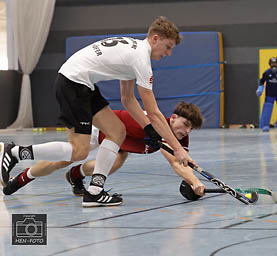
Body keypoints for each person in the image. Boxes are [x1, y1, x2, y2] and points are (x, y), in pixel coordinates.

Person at [0, 16, 191, 207]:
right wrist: (177, 148)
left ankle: (94, 191)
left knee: (117, 131)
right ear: (155, 38)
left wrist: (148, 127)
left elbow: (128, 99)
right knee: (78, 152)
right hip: (74, 84)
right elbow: (154, 112)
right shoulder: (141, 60)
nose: (169, 53)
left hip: (82, 84)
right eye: (168, 46)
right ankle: (16, 152)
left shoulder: (135, 49)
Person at [3, 102, 205, 201]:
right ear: (173, 117)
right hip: (98, 128)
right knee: (64, 159)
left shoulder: (180, 137)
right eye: (185, 124)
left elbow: (182, 161)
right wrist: (194, 181)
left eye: (190, 128)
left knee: (115, 162)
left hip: (118, 142)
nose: (186, 131)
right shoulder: (154, 123)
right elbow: (174, 161)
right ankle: (18, 166)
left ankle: (75, 176)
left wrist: (194, 179)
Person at [256, 57, 277, 132]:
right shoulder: (266, 73)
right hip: (270, 94)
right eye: (272, 63)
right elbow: (261, 82)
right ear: (269, 64)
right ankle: (265, 125)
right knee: (267, 109)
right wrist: (260, 90)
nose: (274, 65)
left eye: (275, 63)